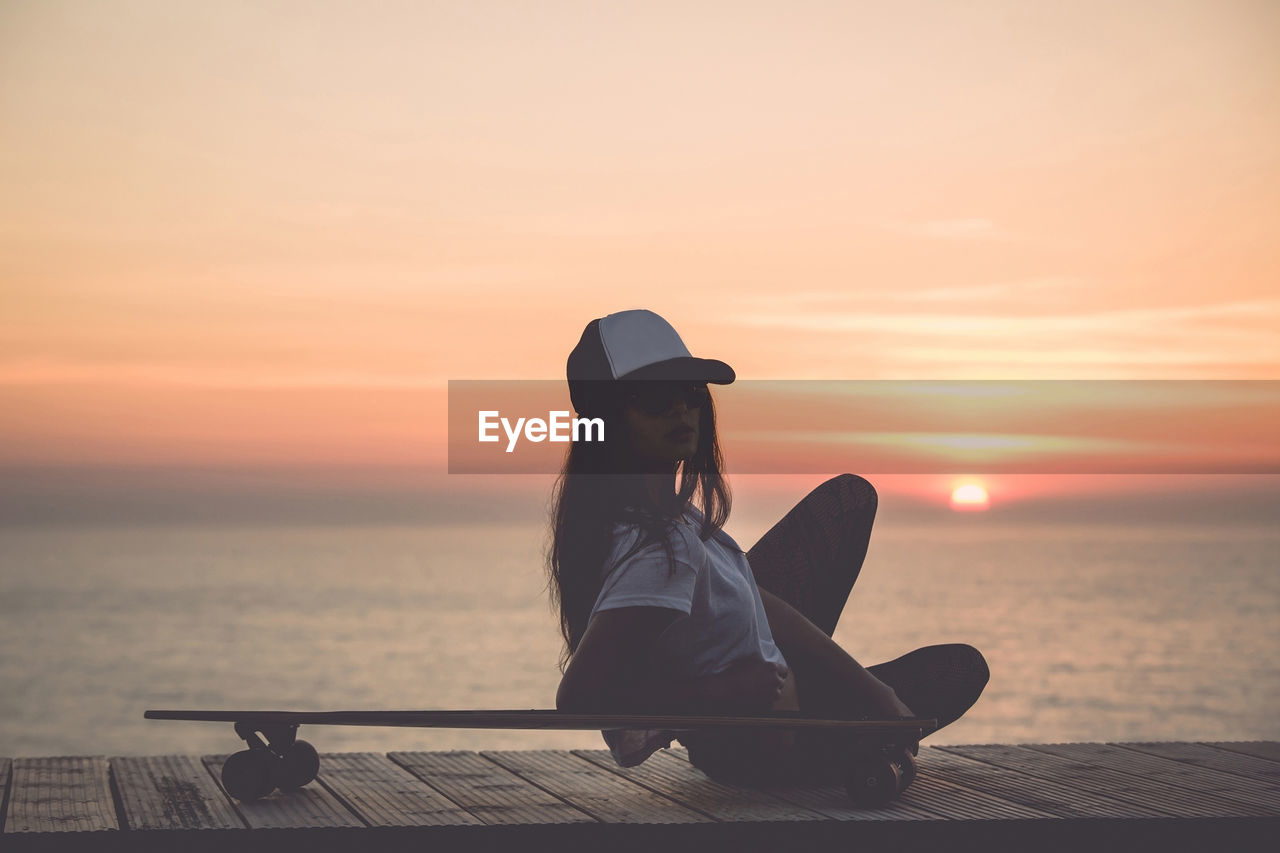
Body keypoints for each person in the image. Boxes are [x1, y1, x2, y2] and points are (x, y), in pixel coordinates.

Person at [545, 308, 989, 787]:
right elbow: (581, 698)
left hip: (767, 712)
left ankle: (868, 733)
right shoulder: (660, 550)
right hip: (765, 749)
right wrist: (717, 692)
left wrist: (875, 692)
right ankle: (853, 755)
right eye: (653, 399)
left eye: (691, 393)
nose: (680, 409)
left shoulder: (677, 520)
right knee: (957, 670)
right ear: (607, 420)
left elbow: (766, 605)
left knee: (848, 500)